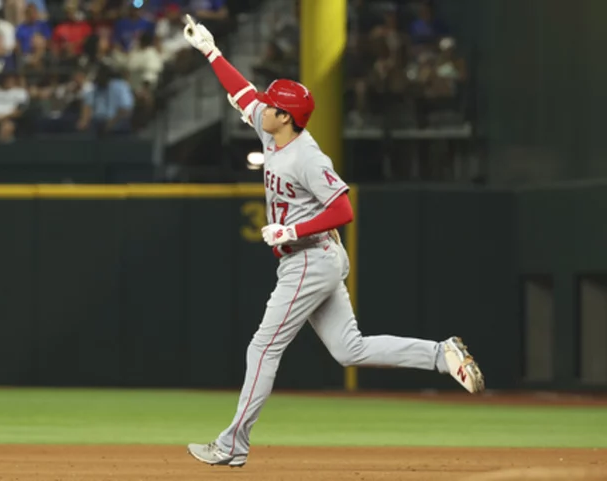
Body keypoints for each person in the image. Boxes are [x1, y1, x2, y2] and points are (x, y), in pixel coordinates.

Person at [180, 15, 486, 468]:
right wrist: (210, 50)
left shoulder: (307, 156)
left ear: (285, 116)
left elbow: (344, 208)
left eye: (270, 105)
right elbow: (242, 91)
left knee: (262, 348)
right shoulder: (273, 130)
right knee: (350, 349)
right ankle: (441, 355)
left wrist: (290, 230)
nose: (261, 106)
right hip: (313, 258)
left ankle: (231, 446)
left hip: (309, 257)